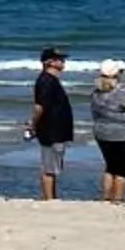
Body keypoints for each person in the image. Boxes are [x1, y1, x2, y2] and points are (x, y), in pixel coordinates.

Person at [86, 59, 125, 205]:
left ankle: (106, 198)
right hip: (120, 135)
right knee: (122, 170)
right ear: (116, 75)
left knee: (110, 166)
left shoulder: (96, 92)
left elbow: (113, 95)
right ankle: (118, 199)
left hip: (101, 133)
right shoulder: (119, 94)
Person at [27, 47, 74, 200]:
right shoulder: (46, 81)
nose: (62, 62)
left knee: (53, 166)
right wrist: (33, 124)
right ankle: (49, 198)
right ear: (49, 62)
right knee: (49, 168)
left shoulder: (52, 80)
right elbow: (39, 106)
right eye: (58, 59)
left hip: (56, 129)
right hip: (50, 130)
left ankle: (51, 196)